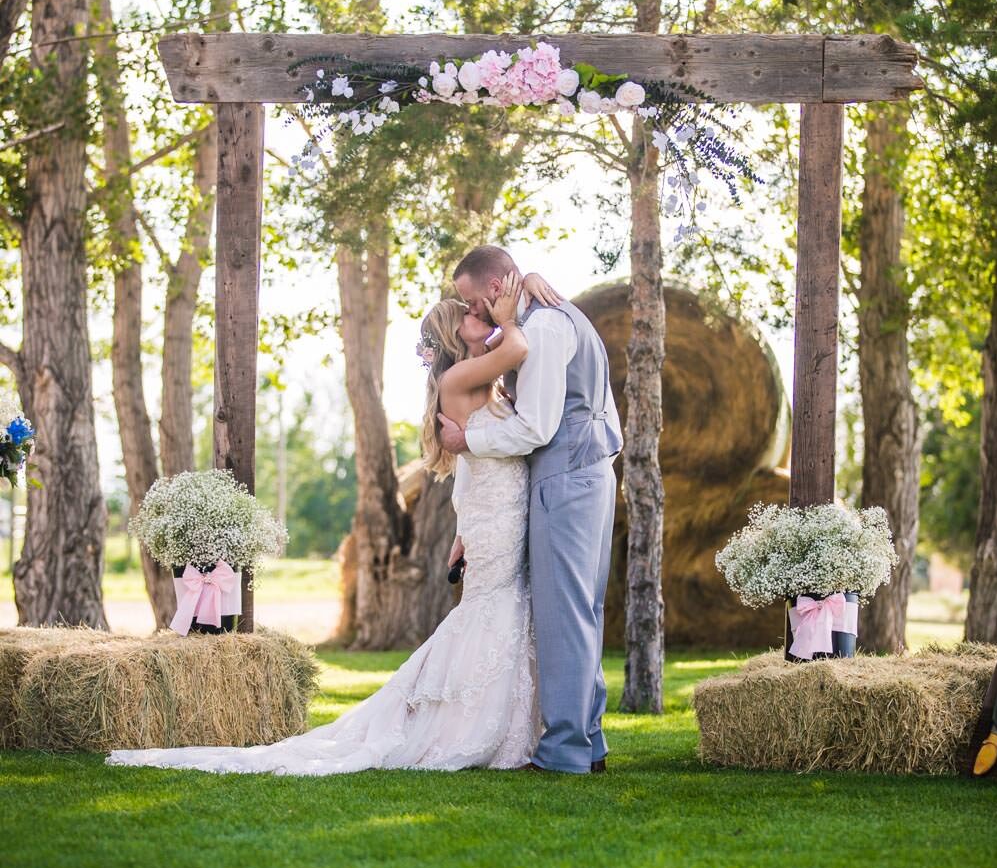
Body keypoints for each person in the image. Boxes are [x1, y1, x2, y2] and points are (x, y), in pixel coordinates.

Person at [104, 270, 559, 775]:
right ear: (456, 334)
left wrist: (460, 529)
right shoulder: (460, 378)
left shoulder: (479, 378)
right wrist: (510, 312)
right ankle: (471, 727)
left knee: (504, 611)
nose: (480, 313)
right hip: (498, 519)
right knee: (490, 611)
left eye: (480, 309)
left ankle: (507, 722)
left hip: (498, 513)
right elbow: (516, 345)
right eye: (470, 314)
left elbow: (473, 464)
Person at [439, 245, 623, 775]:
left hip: (564, 476)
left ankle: (564, 749)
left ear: (495, 290)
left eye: (472, 301)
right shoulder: (562, 314)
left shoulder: (540, 330)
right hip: (594, 469)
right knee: (585, 609)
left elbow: (535, 428)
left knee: (563, 613)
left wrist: (467, 438)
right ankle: (590, 741)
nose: (472, 313)